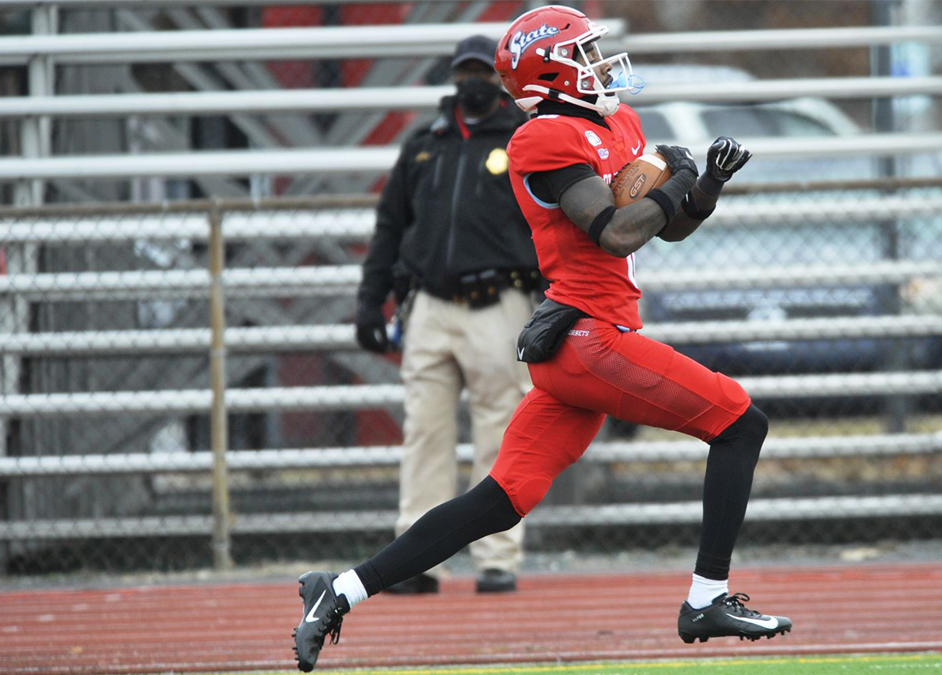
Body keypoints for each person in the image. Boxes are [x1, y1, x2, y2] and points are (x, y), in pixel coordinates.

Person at [293, 7, 790, 671]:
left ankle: (340, 588)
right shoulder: (542, 138)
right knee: (739, 421)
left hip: (579, 342)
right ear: (552, 70)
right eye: (585, 54)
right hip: (592, 340)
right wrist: (673, 180)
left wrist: (705, 186)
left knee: (501, 497)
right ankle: (706, 597)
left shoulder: (618, 121)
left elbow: (660, 227)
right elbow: (613, 230)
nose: (602, 65)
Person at [353, 34, 539, 596]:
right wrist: (369, 300)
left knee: (500, 436)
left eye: (483, 72)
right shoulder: (422, 143)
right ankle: (417, 560)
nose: (471, 83)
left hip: (501, 302)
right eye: (464, 73)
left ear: (500, 79)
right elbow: (390, 227)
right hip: (429, 305)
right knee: (424, 435)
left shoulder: (524, 139)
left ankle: (498, 558)